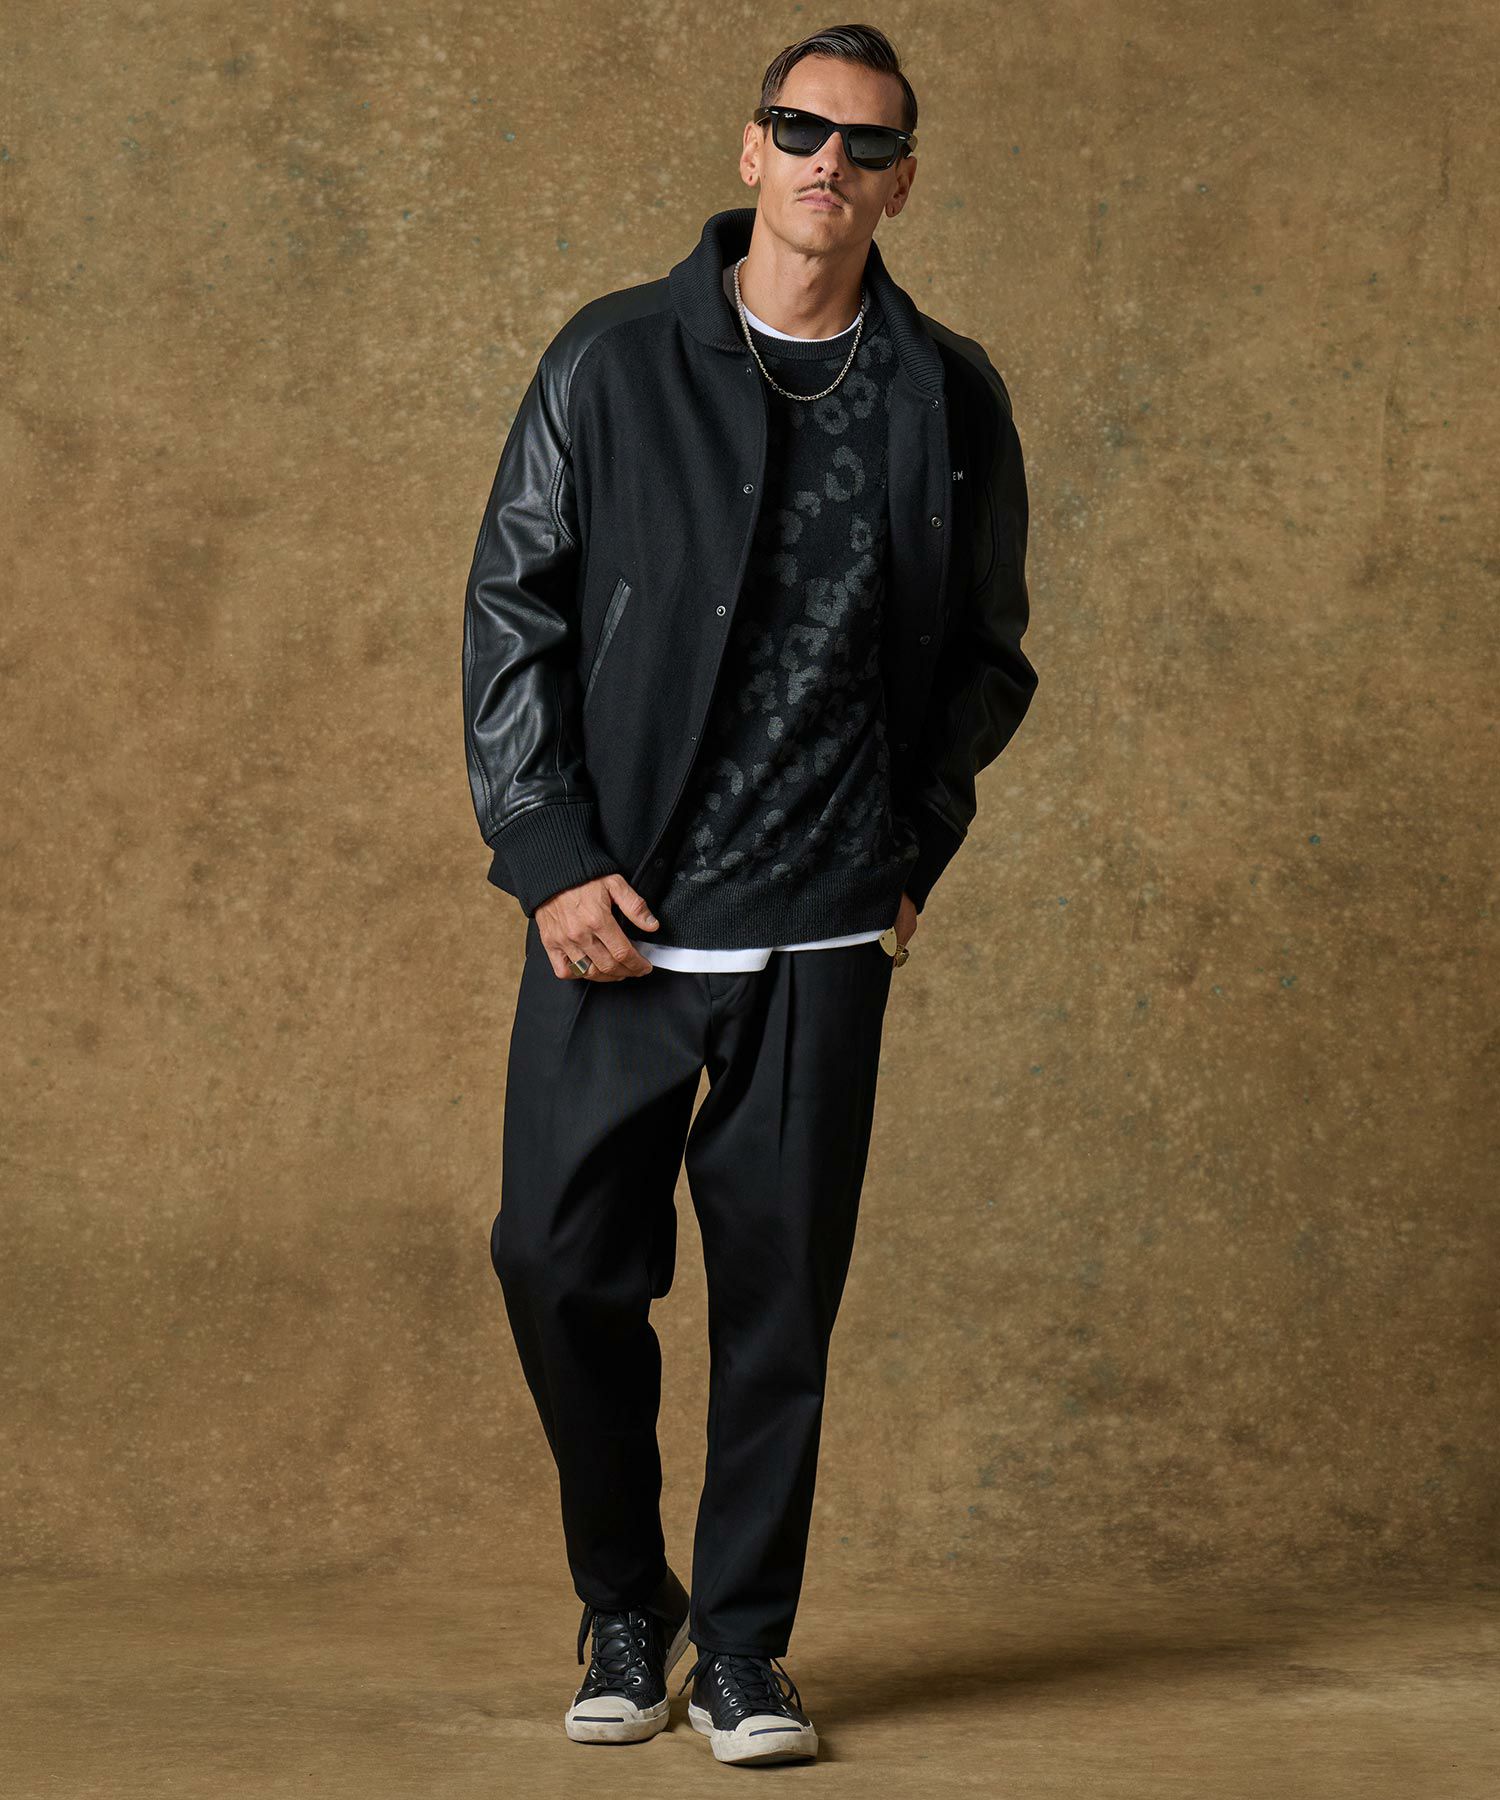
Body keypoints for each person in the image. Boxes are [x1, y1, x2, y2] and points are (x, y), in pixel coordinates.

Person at [460, 21, 1037, 1768]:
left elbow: (988, 656)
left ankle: (745, 1649)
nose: (826, 163)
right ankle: (625, 1603)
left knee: (780, 1308)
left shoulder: (948, 393)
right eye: (799, 129)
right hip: (621, 919)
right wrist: (547, 853)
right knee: (557, 1263)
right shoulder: (613, 358)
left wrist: (912, 848)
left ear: (903, 182)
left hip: (824, 926)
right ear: (749, 149)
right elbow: (514, 611)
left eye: (865, 144)